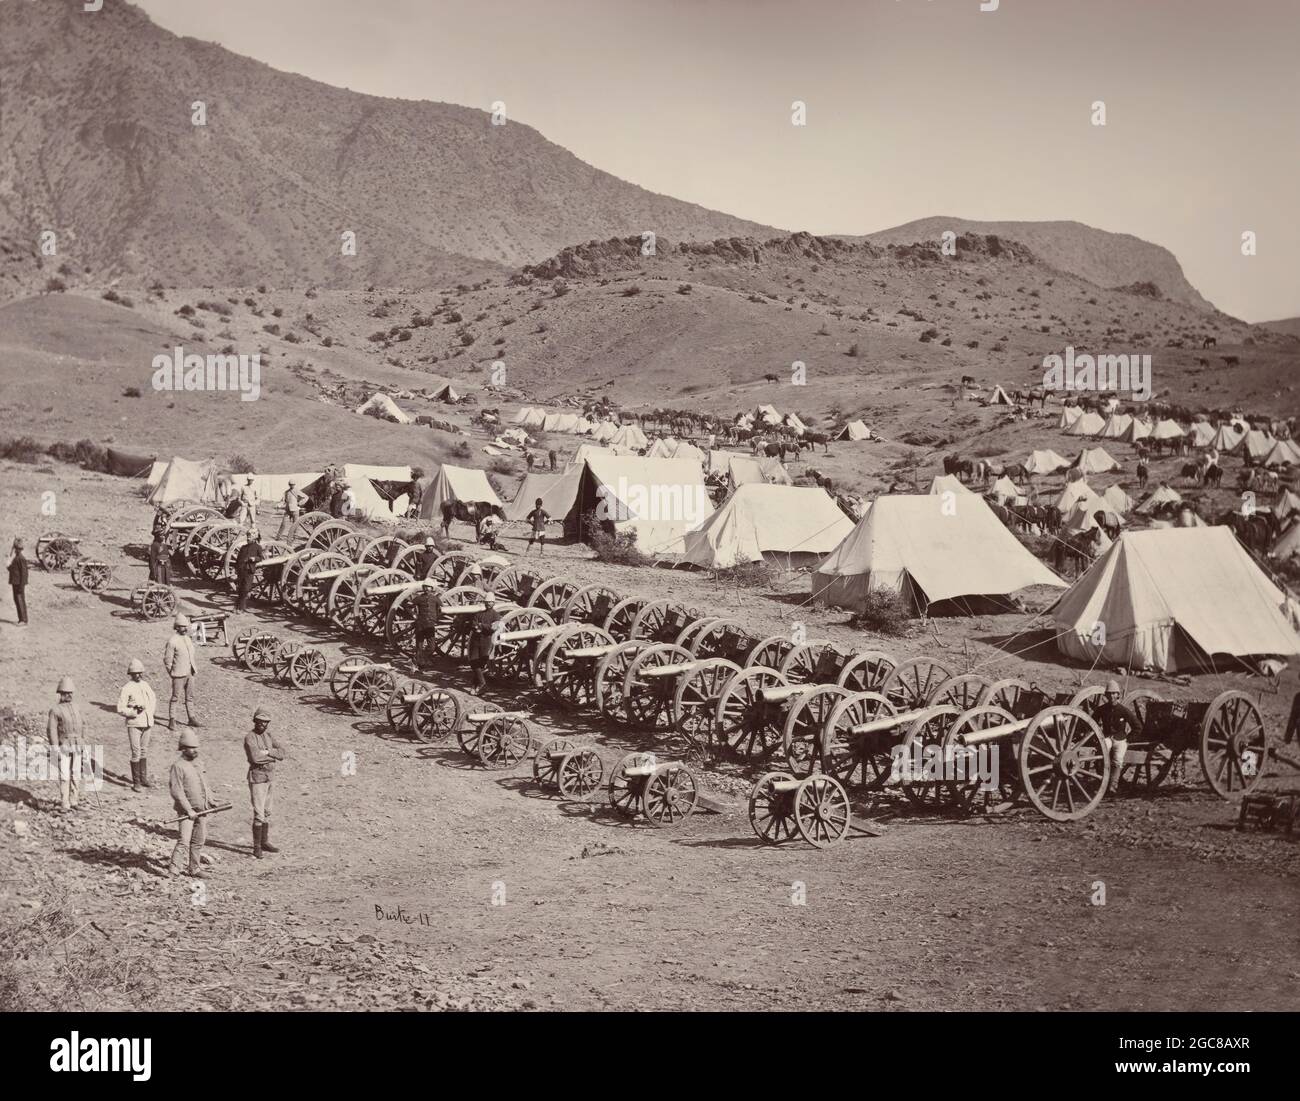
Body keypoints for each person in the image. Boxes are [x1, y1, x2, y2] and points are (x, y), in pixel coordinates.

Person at [167, 729, 213, 878]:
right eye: (190, 748)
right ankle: (173, 870)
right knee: (184, 841)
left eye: (195, 747)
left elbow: (205, 785)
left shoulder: (199, 763)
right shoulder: (178, 766)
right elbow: (177, 791)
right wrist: (188, 810)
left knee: (199, 840)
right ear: (183, 748)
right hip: (186, 813)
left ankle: (194, 868)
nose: (194, 750)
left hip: (202, 810)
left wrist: (211, 802)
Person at [245, 707, 284, 859]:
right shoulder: (250, 737)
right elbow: (255, 758)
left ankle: (265, 841)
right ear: (255, 721)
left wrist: (268, 753)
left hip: (270, 777)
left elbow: (282, 752)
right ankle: (257, 846)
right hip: (258, 778)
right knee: (259, 813)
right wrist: (273, 756)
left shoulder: (268, 735)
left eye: (265, 722)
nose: (262, 725)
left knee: (268, 811)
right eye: (260, 721)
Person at [116, 658, 157, 793]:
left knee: (144, 750)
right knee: (136, 752)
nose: (137, 675)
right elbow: (120, 708)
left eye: (139, 673)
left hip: (147, 722)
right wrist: (133, 711)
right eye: (134, 673)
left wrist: (150, 713)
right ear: (130, 674)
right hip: (134, 724)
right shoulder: (127, 688)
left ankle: (143, 778)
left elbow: (153, 699)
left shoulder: (145, 685)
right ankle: (136, 782)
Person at [47, 676, 85, 812]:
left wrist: (83, 741)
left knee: (76, 773)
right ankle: (65, 803)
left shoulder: (77, 707)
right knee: (64, 775)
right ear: (60, 694)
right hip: (63, 745)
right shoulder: (55, 710)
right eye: (65, 693)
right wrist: (55, 748)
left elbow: (82, 725)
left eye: (70, 693)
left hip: (77, 745)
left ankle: (74, 801)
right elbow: (51, 731)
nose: (68, 695)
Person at [1097, 679, 1139, 796]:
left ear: (1118, 695)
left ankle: (1113, 786)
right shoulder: (1101, 709)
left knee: (1118, 760)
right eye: (1109, 693)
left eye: (1114, 693)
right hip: (1107, 738)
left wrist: (1129, 739)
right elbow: (1091, 722)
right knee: (1103, 752)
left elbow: (1137, 726)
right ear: (1105, 695)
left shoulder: (1124, 710)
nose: (1111, 696)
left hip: (1120, 740)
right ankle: (1102, 782)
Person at [163, 614, 200, 729]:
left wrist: (192, 670)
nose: (185, 629)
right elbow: (167, 660)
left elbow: (192, 654)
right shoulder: (172, 641)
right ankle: (172, 720)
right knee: (175, 698)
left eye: (186, 626)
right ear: (177, 627)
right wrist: (172, 673)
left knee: (190, 697)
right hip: (178, 675)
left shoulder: (188, 639)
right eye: (182, 627)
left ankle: (191, 718)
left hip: (190, 673)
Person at [468, 592, 502, 691]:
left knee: (481, 663)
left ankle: (475, 686)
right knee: (473, 662)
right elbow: (473, 624)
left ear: (493, 603)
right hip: (476, 640)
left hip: (486, 641)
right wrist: (479, 626)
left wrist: (481, 626)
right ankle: (482, 683)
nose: (488, 604)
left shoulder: (496, 615)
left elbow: (493, 628)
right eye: (487, 602)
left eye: (490, 602)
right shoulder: (479, 613)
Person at [411, 582, 443, 670]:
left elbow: (442, 609)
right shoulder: (419, 598)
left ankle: (421, 659)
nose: (427, 589)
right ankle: (420, 666)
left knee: (432, 646)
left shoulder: (436, 599)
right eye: (425, 587)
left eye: (429, 587)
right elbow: (409, 605)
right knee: (419, 645)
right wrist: (413, 614)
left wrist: (436, 617)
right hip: (420, 624)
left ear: (432, 588)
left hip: (430, 625)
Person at [234, 529, 264, 612]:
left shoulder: (258, 547)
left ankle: (239, 606)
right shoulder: (243, 547)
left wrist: (254, 559)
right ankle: (240, 607)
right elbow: (238, 559)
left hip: (249, 570)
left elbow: (260, 558)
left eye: (250, 536)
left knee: (246, 589)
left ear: (254, 538)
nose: (248, 538)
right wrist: (237, 568)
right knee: (240, 588)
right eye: (247, 536)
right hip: (241, 570)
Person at [8, 536, 29, 625]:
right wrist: (9, 566)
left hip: (19, 584)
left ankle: (23, 620)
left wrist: (21, 585)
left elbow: (24, 574)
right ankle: (21, 619)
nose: (15, 550)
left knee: (20, 600)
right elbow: (14, 570)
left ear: (19, 549)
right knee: (17, 600)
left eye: (16, 549)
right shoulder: (17, 558)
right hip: (15, 582)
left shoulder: (21, 558)